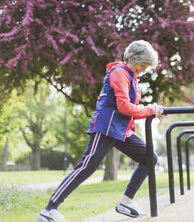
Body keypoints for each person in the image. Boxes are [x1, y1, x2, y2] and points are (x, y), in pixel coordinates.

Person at [37, 40, 164, 221]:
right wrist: (150, 109)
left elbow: (130, 112)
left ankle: (126, 202)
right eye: (142, 65)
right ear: (131, 58)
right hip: (105, 128)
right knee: (87, 167)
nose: (143, 70)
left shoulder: (131, 76)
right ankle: (49, 210)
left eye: (146, 67)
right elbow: (124, 107)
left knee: (149, 158)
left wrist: (150, 111)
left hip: (121, 130)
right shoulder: (119, 72)